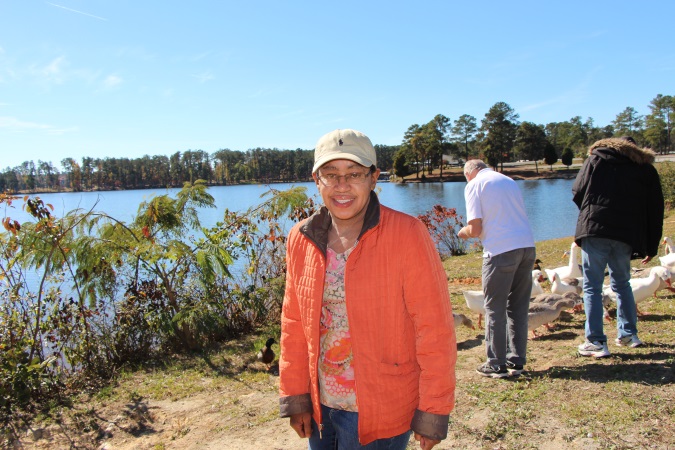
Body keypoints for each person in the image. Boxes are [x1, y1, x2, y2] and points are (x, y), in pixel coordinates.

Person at [278, 129, 457, 449]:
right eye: (330, 174)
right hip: (322, 406)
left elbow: (435, 329)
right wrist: (296, 396)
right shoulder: (301, 238)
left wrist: (433, 410)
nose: (342, 185)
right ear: (316, 180)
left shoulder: (407, 234)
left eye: (354, 174)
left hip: (381, 409)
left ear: (374, 178)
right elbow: (294, 323)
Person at [572, 136, 664, 358]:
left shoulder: (596, 159)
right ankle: (629, 334)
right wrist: (651, 246)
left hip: (595, 229)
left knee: (592, 286)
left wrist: (589, 213)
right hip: (625, 233)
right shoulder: (644, 168)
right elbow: (655, 208)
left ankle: (595, 341)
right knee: (622, 284)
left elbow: (577, 191)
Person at [457, 159, 536, 378]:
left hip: (500, 251)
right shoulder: (508, 180)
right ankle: (516, 360)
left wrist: (463, 232)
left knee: (494, 307)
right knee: (518, 307)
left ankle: (495, 363)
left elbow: (475, 228)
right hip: (527, 247)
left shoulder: (474, 185)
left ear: (469, 173)